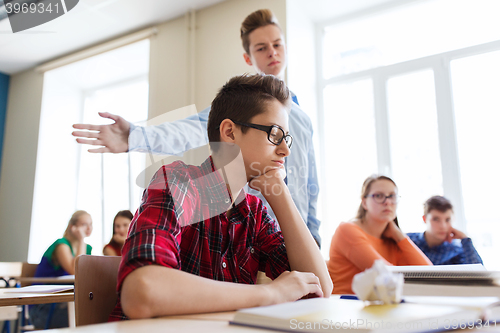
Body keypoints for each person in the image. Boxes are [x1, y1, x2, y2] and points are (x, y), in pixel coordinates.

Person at [71, 9, 322, 246]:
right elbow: (189, 130)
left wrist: (313, 239)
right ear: (248, 57)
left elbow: (311, 184)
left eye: (277, 45)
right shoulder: (240, 109)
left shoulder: (303, 120)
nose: (272, 52)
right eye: (261, 47)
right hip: (256, 240)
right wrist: (136, 136)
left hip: (298, 240)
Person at [108, 74, 332, 320]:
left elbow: (319, 288)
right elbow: (142, 293)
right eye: (275, 134)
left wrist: (281, 194)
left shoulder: (255, 212)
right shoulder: (178, 183)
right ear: (229, 132)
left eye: (286, 139)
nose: (286, 150)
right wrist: (271, 293)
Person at [327, 175, 432, 295]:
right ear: (364, 202)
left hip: (380, 305)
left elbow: (431, 274)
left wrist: (400, 237)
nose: (387, 202)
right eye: (378, 196)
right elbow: (388, 276)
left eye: (392, 196)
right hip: (346, 305)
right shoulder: (347, 230)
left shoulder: (392, 239)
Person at [30, 210, 93, 329]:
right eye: (84, 224)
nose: (89, 228)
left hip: (64, 305)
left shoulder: (87, 248)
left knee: (93, 313)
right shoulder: (61, 245)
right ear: (72, 226)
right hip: (43, 308)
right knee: (86, 317)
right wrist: (81, 240)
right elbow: (75, 271)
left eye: (91, 224)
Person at [407, 196, 483, 265]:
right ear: (425, 219)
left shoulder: (456, 250)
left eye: (447, 220)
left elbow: (479, 274)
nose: (443, 226)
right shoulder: (407, 241)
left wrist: (464, 239)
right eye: (436, 219)